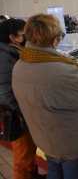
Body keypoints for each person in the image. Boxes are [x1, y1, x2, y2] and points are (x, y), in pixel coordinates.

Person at [12, 14, 78, 179]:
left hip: (42, 137)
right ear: (54, 40)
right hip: (68, 143)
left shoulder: (21, 63)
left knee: (54, 173)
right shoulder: (63, 70)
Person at [0, 19, 46, 179]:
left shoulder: (15, 52)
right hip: (17, 115)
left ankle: (32, 174)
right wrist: (26, 111)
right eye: (24, 34)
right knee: (22, 156)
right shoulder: (4, 56)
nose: (28, 37)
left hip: (23, 112)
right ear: (13, 37)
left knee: (28, 153)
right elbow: (5, 93)